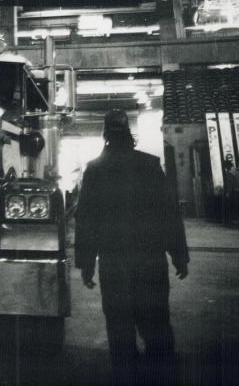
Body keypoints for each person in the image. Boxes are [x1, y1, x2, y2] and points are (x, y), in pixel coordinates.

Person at [74, 109, 189, 383]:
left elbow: (86, 220)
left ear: (105, 134)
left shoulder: (95, 169)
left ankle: (126, 375)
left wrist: (86, 264)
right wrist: (179, 255)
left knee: (119, 325)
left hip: (114, 263)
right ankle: (161, 375)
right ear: (129, 134)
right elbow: (169, 213)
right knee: (157, 321)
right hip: (150, 260)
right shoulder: (149, 165)